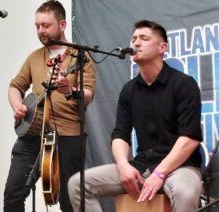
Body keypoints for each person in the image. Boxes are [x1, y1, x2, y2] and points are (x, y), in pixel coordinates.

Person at [68, 20, 203, 212]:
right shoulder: (129, 91)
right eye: (134, 39)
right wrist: (123, 166)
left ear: (162, 47)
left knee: (185, 192)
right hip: (142, 166)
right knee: (77, 184)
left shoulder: (183, 84)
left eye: (144, 38)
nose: (136, 43)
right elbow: (120, 135)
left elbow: (190, 138)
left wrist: (160, 173)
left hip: (179, 167)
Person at [3, 1, 96, 211]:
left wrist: (69, 91)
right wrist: (17, 104)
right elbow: (15, 86)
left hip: (68, 136)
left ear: (62, 25)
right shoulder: (35, 57)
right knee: (13, 193)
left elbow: (88, 94)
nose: (40, 31)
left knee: (68, 200)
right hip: (33, 135)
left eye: (46, 25)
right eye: (37, 26)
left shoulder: (80, 57)